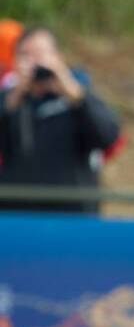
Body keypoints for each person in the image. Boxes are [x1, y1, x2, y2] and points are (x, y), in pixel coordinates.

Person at [0, 26, 120, 214]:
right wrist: (12, 101)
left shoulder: (78, 100)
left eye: (40, 54)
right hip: (17, 218)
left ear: (57, 57)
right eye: (26, 55)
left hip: (72, 218)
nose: (34, 62)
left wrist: (74, 94)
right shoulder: (9, 102)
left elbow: (108, 137)